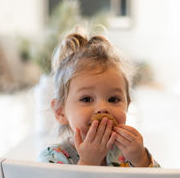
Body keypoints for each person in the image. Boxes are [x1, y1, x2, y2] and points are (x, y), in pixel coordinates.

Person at [37, 27, 159, 168]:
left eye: (113, 99)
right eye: (86, 99)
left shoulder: (128, 153)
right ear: (60, 111)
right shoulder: (53, 158)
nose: (102, 108)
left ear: (128, 105)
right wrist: (88, 162)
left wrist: (141, 159)